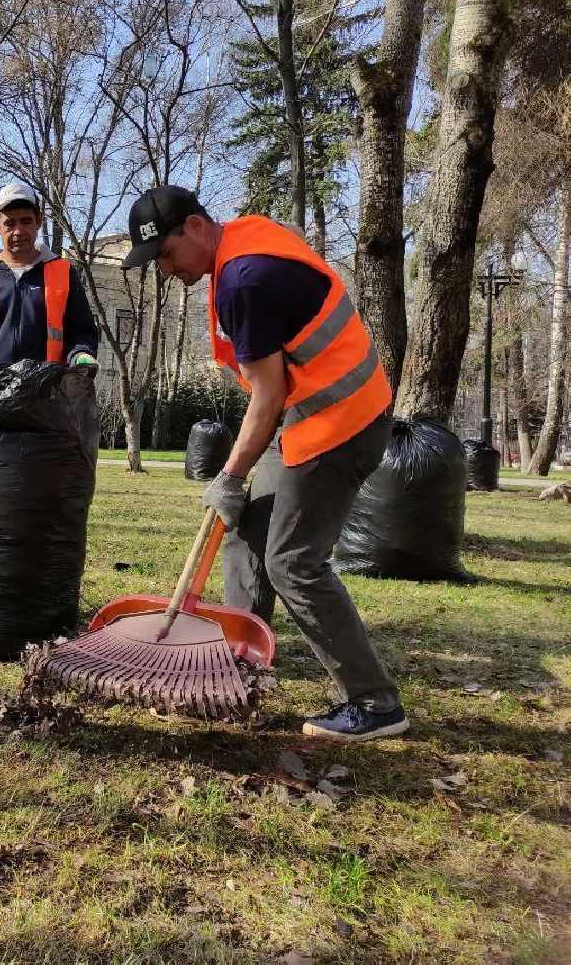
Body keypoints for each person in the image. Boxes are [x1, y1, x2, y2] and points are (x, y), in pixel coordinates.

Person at [122, 185, 406, 742]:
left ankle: (374, 703)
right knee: (244, 529)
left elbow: (266, 395)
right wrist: (236, 489)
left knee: (293, 562)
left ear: (196, 227)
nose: (164, 270)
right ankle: (233, 666)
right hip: (311, 410)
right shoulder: (243, 240)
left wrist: (229, 475)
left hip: (341, 422)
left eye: (166, 255)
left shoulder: (243, 281)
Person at [0, 183, 99, 374]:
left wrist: (81, 353)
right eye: (9, 223)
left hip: (47, 394)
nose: (18, 231)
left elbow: (83, 332)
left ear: (39, 221)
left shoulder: (64, 274)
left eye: (25, 221)